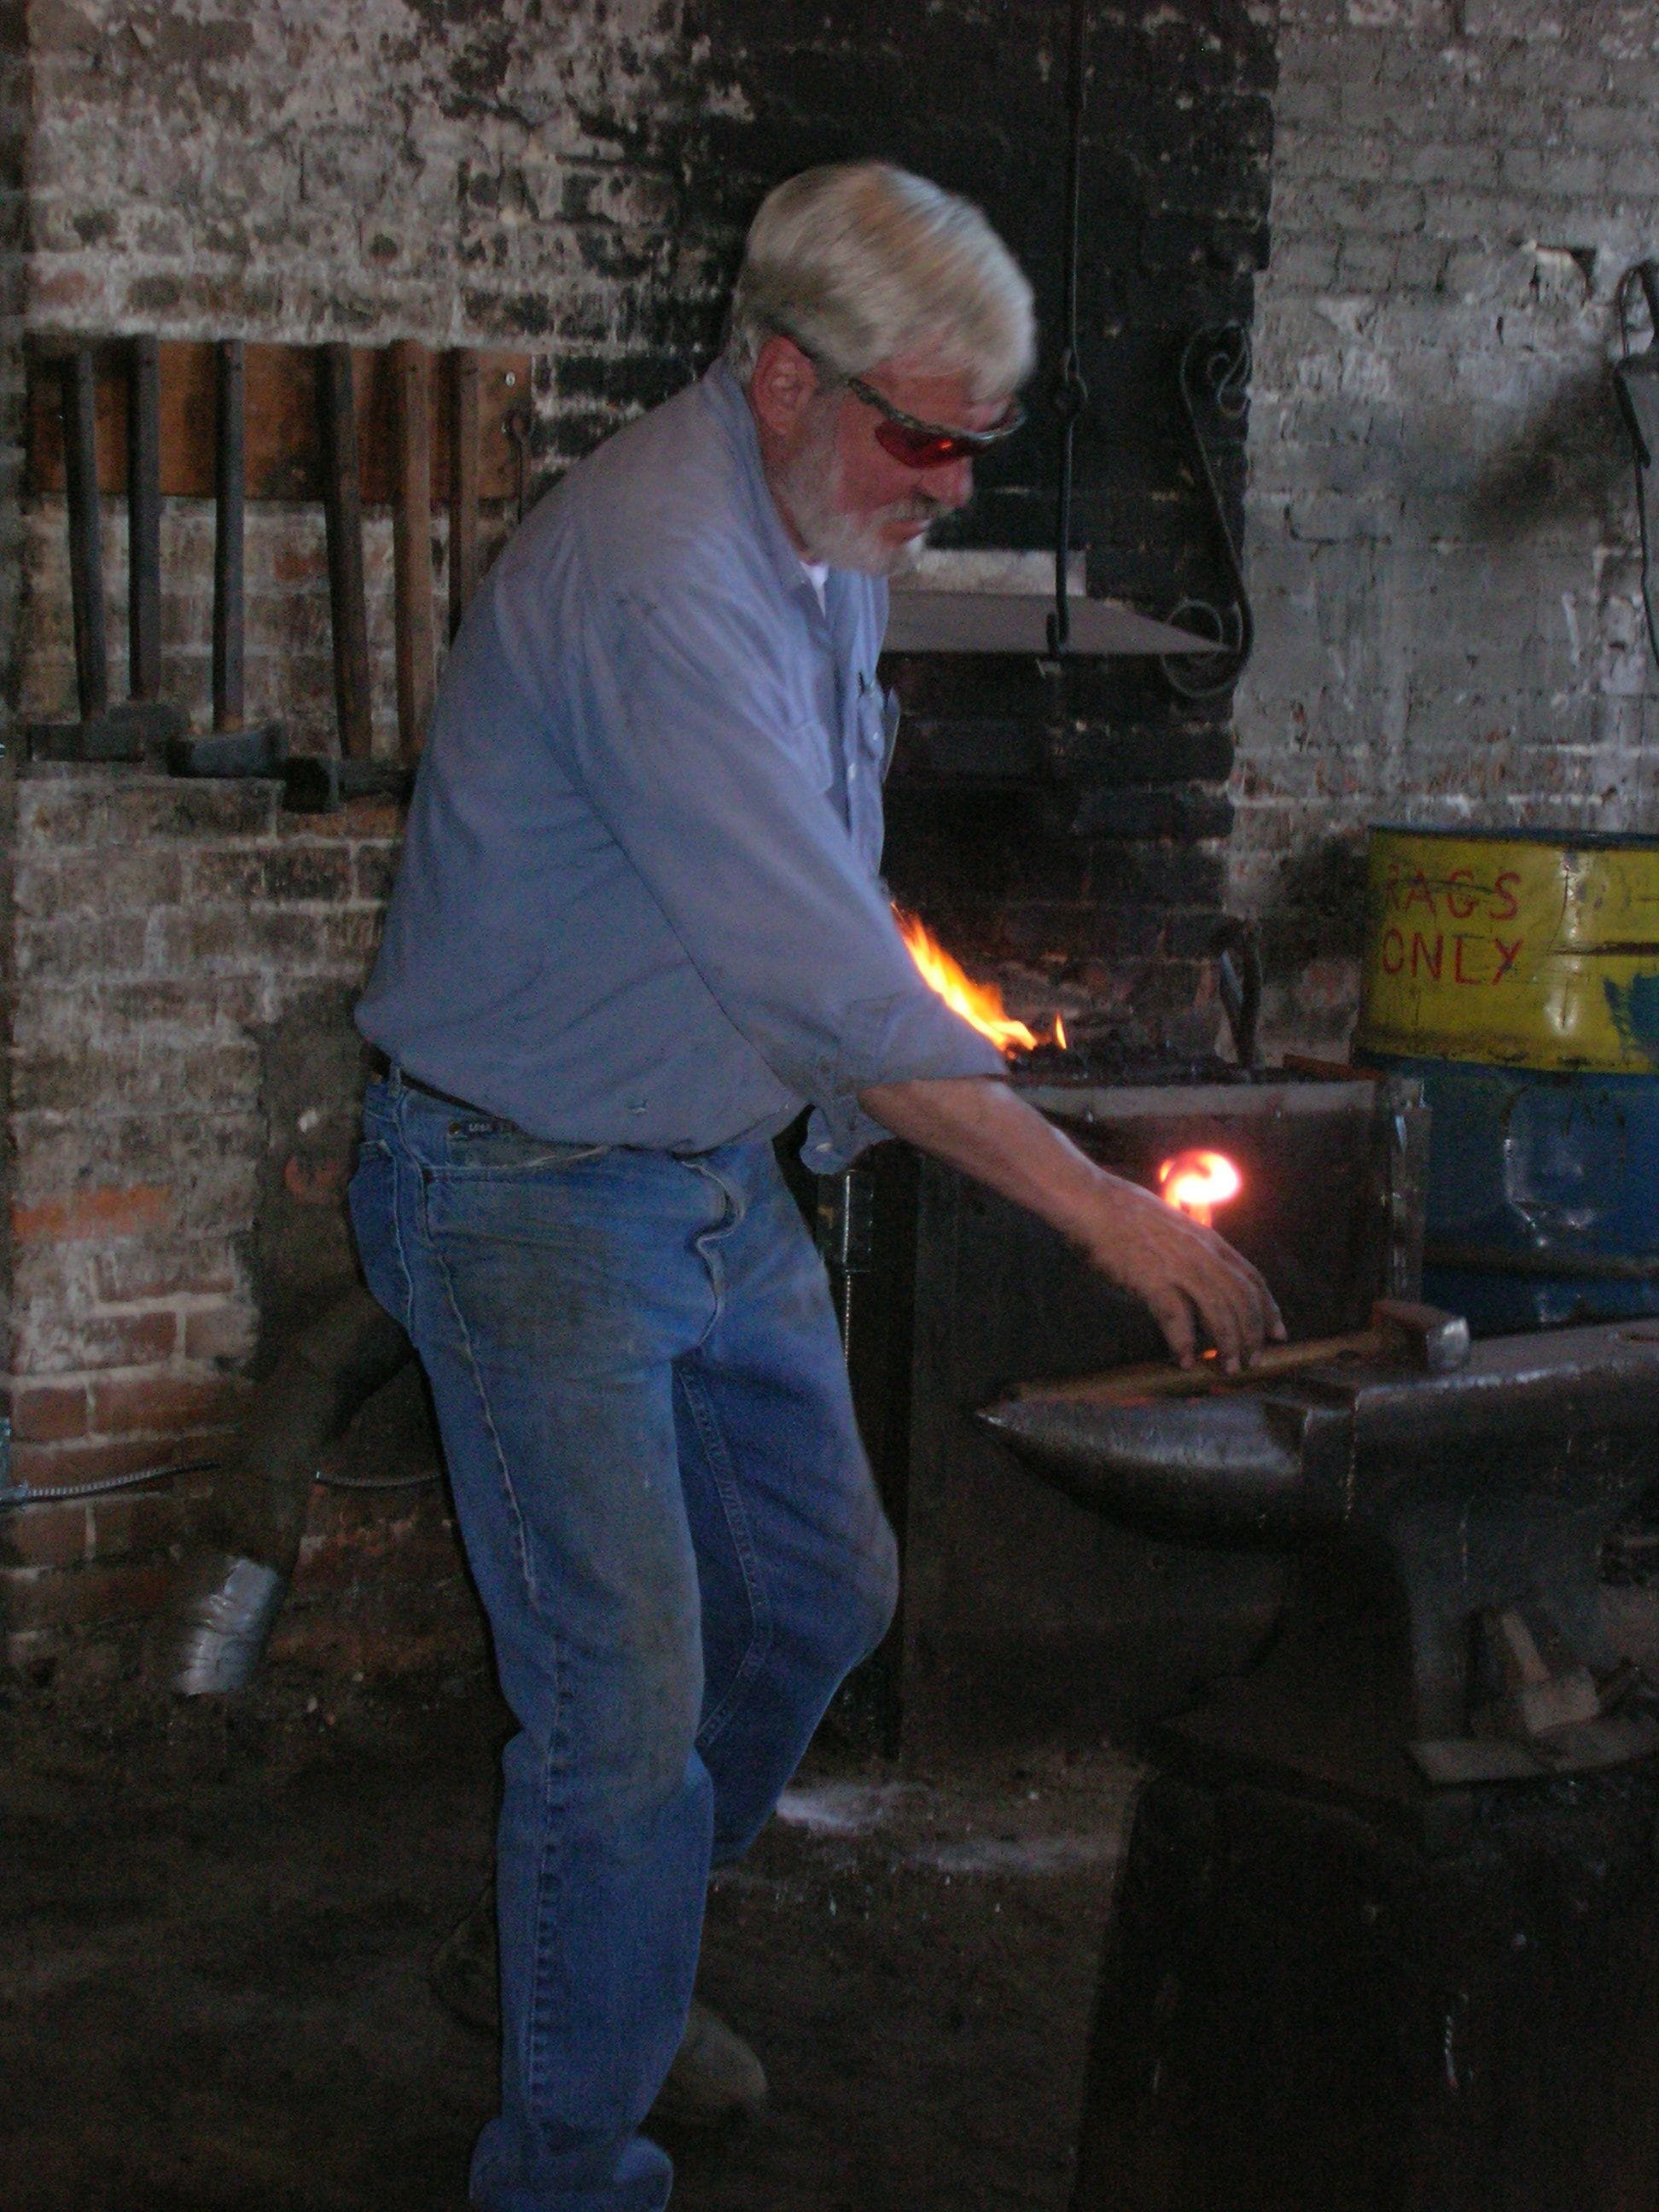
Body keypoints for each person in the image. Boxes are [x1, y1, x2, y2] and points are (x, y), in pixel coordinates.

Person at [350, 160, 1281, 2212]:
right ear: (782, 375)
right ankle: (566, 2154)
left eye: (981, 445)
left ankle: (581, 1953)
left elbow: (826, 899)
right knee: (619, 1716)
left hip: (702, 1174)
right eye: (922, 436)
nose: (950, 489)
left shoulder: (822, 526)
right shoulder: (662, 583)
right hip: (525, 1202)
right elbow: (835, 989)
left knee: (822, 1593)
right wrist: (1111, 1214)